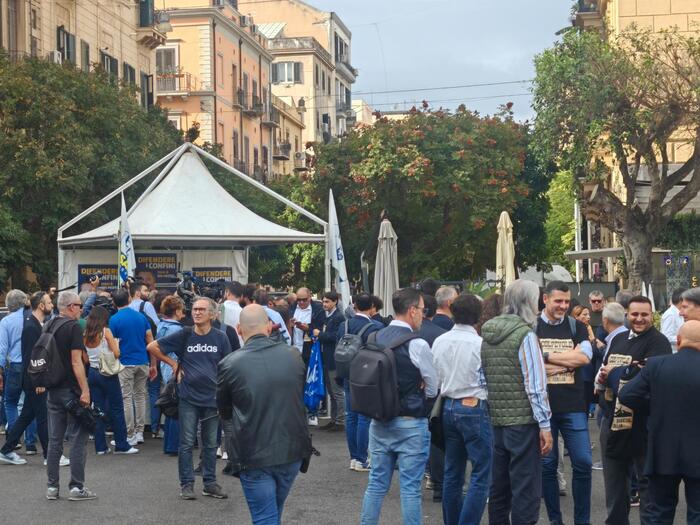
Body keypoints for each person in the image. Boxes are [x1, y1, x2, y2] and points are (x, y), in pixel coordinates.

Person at [217, 304, 312, 524]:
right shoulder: (293, 355)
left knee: (265, 517)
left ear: (239, 329)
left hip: (254, 453)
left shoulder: (229, 364)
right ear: (270, 327)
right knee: (271, 513)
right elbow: (298, 393)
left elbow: (225, 410)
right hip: (292, 449)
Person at [360, 288, 438, 525]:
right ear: (412, 310)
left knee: (376, 484)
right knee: (410, 488)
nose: (423, 316)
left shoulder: (374, 338)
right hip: (411, 423)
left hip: (379, 419)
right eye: (422, 310)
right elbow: (434, 388)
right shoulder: (418, 344)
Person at [481, 279, 553, 525]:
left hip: (497, 418)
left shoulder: (488, 332)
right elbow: (535, 386)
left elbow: (482, 378)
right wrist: (545, 426)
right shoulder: (525, 335)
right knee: (526, 488)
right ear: (529, 303)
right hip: (523, 421)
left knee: (499, 486)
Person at [596, 296, 672, 525]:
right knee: (615, 489)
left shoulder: (659, 343)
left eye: (644, 315)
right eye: (635, 314)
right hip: (612, 421)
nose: (639, 319)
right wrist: (606, 376)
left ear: (652, 316)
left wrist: (617, 374)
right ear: (627, 315)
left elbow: (646, 382)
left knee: (648, 489)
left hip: (643, 425)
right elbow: (608, 373)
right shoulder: (618, 339)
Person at [147, 296, 232, 500]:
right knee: (185, 443)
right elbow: (152, 347)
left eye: (202, 309)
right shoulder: (184, 334)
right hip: (188, 397)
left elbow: (228, 366)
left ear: (212, 314)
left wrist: (226, 396)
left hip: (213, 398)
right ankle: (187, 484)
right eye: (194, 309)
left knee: (211, 444)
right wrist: (173, 364)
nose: (197, 312)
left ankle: (209, 483)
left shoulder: (221, 337)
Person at [618, 320, 700, 524]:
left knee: (659, 512)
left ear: (679, 340)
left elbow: (627, 395)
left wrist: (655, 406)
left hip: (663, 451)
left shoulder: (657, 364)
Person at [536, 281, 593, 525]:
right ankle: (555, 520)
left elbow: (585, 357)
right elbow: (529, 363)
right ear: (545, 299)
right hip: (543, 408)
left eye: (567, 301)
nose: (563, 305)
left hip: (574, 405)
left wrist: (547, 358)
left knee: (583, 462)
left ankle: (582, 521)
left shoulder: (576, 326)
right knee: (547, 467)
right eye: (558, 301)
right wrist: (568, 360)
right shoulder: (531, 326)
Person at [432, 293, 492, 525]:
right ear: (478, 316)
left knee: (452, 473)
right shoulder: (480, 344)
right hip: (474, 405)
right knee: (480, 473)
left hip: (447, 405)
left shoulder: (440, 341)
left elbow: (435, 377)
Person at [45, 292, 96, 501]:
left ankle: (52, 487)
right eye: (79, 305)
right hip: (71, 390)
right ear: (70, 307)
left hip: (53, 389)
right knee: (77, 438)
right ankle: (76, 487)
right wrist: (85, 390)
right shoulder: (73, 327)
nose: (82, 309)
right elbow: (77, 362)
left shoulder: (48, 325)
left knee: (54, 440)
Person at [0, 292, 54, 464]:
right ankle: (48, 454)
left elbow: (5, 347)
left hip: (22, 371)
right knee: (41, 415)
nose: (52, 304)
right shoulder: (30, 324)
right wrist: (39, 380)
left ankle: (7, 449)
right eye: (49, 302)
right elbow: (33, 354)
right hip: (32, 375)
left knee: (23, 412)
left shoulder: (27, 322)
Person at [335, 293, 383, 472]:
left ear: (354, 305)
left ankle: (354, 457)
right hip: (365, 375)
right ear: (371, 306)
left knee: (351, 416)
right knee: (364, 416)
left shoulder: (343, 325)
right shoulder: (375, 326)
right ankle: (362, 458)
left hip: (346, 372)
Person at [84, 306, 138, 455]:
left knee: (98, 409)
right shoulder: (106, 332)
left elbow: (85, 358)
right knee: (117, 408)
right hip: (107, 373)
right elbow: (116, 353)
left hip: (93, 372)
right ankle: (122, 444)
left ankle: (100, 446)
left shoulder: (86, 334)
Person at [108, 289, 153, 446]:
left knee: (126, 398)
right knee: (140, 396)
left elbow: (111, 343)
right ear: (129, 298)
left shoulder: (114, 320)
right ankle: (140, 431)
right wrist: (153, 363)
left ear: (114, 302)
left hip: (125, 362)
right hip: (142, 360)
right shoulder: (141, 317)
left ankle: (130, 433)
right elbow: (150, 340)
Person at [416, 294, 447, 501]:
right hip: (437, 394)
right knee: (437, 439)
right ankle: (438, 483)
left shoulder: (412, 333)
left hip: (412, 397)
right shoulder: (442, 334)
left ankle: (427, 474)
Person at [0, 289, 37, 455]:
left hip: (14, 365)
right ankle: (31, 443)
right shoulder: (33, 318)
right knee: (31, 403)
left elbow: (2, 348)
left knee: (11, 402)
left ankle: (13, 441)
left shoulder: (6, 322)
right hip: (32, 364)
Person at [312, 291, 345, 430]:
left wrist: (321, 334)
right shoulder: (326, 316)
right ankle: (334, 418)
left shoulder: (338, 317)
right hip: (325, 358)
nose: (324, 304)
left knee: (337, 392)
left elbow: (336, 336)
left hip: (333, 359)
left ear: (335, 302)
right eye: (323, 302)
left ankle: (341, 421)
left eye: (327, 302)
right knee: (331, 391)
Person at [156, 295, 185, 455]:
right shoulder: (177, 329)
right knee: (176, 407)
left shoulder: (161, 325)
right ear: (177, 310)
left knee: (169, 404)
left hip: (164, 366)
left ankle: (169, 444)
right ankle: (174, 445)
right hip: (175, 367)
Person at [572, 304, 603, 417]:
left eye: (588, 314)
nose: (588, 317)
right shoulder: (574, 331)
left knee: (586, 403)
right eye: (585, 314)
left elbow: (595, 351)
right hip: (579, 371)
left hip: (589, 372)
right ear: (576, 316)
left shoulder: (589, 329)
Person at [661, 288, 685, 353]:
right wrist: (685, 339)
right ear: (681, 300)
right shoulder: (670, 314)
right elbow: (666, 337)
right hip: (672, 352)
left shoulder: (678, 313)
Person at [222, 281, 244, 346]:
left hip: (222, 349)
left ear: (227, 292)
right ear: (242, 296)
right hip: (240, 348)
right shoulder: (245, 312)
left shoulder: (217, 309)